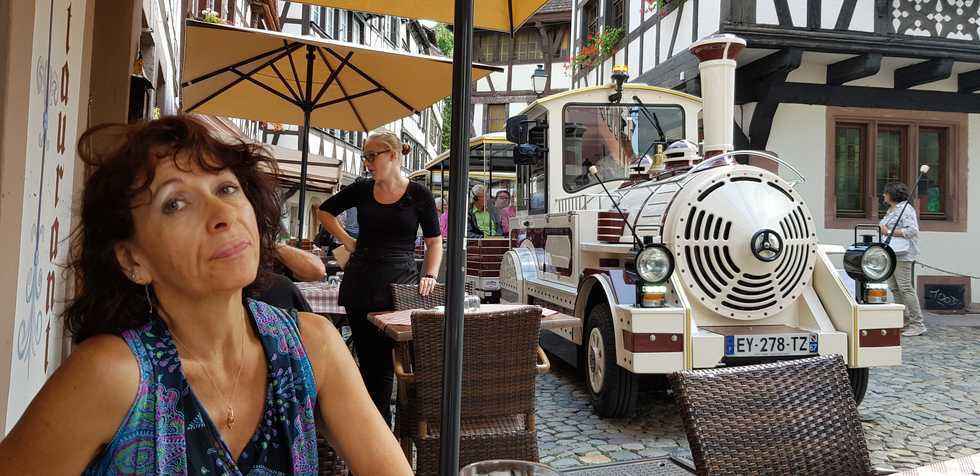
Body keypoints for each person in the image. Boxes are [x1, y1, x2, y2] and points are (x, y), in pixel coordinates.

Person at [0, 116, 411, 475]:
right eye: (176, 203)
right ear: (132, 260)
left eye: (227, 189)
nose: (222, 214)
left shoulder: (311, 347)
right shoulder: (111, 375)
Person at [316, 130, 442, 425]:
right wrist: (348, 241)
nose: (367, 162)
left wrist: (430, 275)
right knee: (372, 367)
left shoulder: (419, 194)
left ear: (393, 155)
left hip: (400, 287)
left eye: (372, 156)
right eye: (365, 157)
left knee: (399, 364)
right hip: (361, 284)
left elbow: (434, 242)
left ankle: (396, 428)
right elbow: (324, 212)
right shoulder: (362, 189)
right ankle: (377, 428)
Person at [880, 182, 926, 337]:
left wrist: (890, 232)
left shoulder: (905, 209)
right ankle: (903, 321)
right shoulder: (892, 210)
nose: (883, 195)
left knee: (905, 287)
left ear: (892, 195)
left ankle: (917, 324)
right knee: (894, 287)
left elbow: (912, 230)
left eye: (886, 193)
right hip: (891, 252)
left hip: (903, 254)